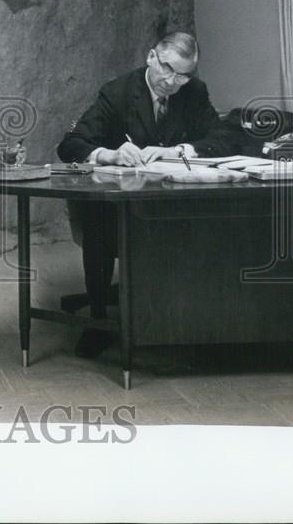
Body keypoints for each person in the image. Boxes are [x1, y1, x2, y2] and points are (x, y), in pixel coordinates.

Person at [56, 32, 239, 358]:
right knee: (98, 224)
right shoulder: (118, 92)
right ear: (151, 56)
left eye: (183, 74)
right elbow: (70, 144)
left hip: (174, 203)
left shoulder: (193, 92)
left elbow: (224, 137)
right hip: (120, 208)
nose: (172, 81)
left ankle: (191, 323)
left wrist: (180, 151)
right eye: (167, 69)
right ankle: (98, 322)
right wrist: (108, 154)